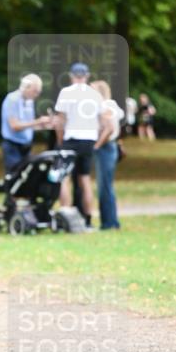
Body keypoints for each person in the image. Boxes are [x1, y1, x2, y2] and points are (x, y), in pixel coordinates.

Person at [55, 62, 104, 230]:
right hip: (88, 139)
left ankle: (65, 216)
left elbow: (61, 120)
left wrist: (60, 141)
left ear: (71, 76)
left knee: (64, 178)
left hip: (71, 138)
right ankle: (88, 219)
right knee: (85, 179)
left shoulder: (66, 93)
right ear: (87, 76)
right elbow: (101, 120)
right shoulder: (95, 94)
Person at [91, 80, 124, 230]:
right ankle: (109, 221)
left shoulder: (106, 106)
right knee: (104, 186)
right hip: (108, 148)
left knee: (105, 186)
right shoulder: (109, 106)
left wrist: (96, 145)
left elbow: (109, 129)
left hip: (106, 148)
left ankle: (109, 222)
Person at [0, 74, 51, 173]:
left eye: (38, 92)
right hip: (13, 146)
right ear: (26, 87)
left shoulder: (29, 101)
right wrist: (38, 121)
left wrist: (44, 125)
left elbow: (27, 125)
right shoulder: (12, 99)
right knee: (15, 176)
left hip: (26, 146)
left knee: (27, 177)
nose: (36, 95)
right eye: (35, 91)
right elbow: (14, 126)